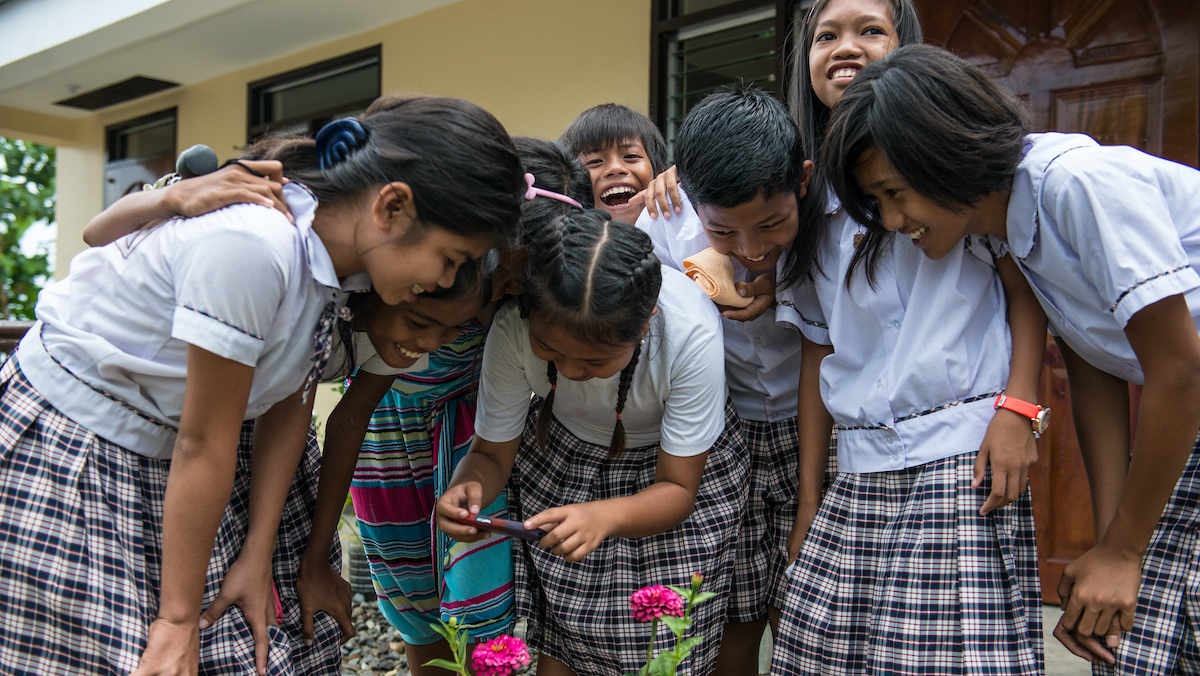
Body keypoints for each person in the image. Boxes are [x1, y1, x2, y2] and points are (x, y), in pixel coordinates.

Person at [0, 94, 524, 676]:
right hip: (76, 450)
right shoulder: (257, 248)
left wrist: (257, 553)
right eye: (450, 259)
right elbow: (206, 440)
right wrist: (176, 622)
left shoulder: (338, 267)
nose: (446, 282)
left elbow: (289, 402)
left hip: (170, 456)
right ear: (392, 207)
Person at [822, 43, 1200, 675]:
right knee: (1132, 646)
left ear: (944, 153)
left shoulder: (1076, 184)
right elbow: (1094, 368)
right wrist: (1110, 542)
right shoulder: (1006, 227)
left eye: (896, 192)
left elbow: (1181, 372)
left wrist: (1125, 551)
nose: (892, 220)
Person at [769, 4, 1048, 674]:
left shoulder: (959, 167)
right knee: (819, 651)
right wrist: (811, 499)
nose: (846, 47)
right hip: (858, 472)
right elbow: (818, 350)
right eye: (826, 35)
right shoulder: (804, 202)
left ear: (904, 44)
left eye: (870, 29)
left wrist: (1020, 408)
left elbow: (1026, 291)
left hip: (963, 458)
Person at [297, 137, 592, 675]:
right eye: (498, 265)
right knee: (412, 603)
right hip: (386, 441)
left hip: (472, 435)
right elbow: (351, 416)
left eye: (520, 281)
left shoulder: (518, 304)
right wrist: (317, 555)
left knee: (478, 610)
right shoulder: (421, 283)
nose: (501, 287)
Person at [436, 211, 748, 676]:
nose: (570, 370)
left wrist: (605, 515)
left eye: (595, 360)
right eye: (551, 351)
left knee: (666, 640)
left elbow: (679, 490)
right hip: (565, 461)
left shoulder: (690, 334)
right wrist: (468, 484)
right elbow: (490, 454)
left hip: (674, 479)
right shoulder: (512, 329)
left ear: (646, 325)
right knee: (564, 631)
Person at [634, 86, 824, 675]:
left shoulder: (830, 219)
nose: (753, 249)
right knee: (730, 611)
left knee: (807, 609)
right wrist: (699, 281)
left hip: (819, 426)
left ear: (804, 182)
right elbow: (644, 324)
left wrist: (781, 289)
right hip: (722, 437)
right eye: (725, 234)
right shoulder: (664, 223)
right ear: (690, 200)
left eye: (772, 226)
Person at [559, 103, 667, 225]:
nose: (615, 168)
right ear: (569, 185)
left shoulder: (684, 233)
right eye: (595, 161)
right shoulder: (557, 241)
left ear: (659, 175)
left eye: (631, 156)